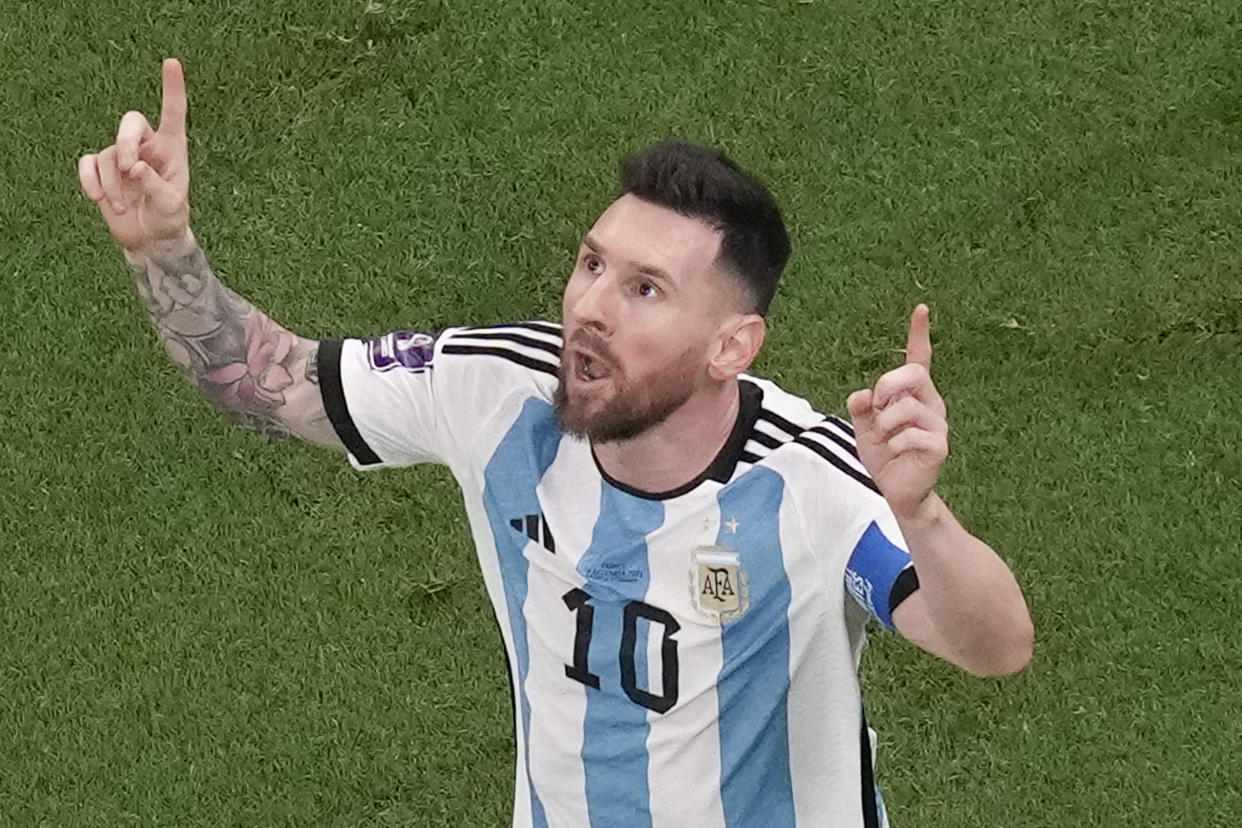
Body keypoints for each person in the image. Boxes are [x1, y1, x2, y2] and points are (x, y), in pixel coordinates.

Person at [79, 59, 1033, 828]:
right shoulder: (496, 392)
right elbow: (269, 383)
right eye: (591, 265)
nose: (590, 309)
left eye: (644, 289)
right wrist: (162, 248)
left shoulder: (808, 481)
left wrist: (919, 509)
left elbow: (990, 646)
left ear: (730, 348)